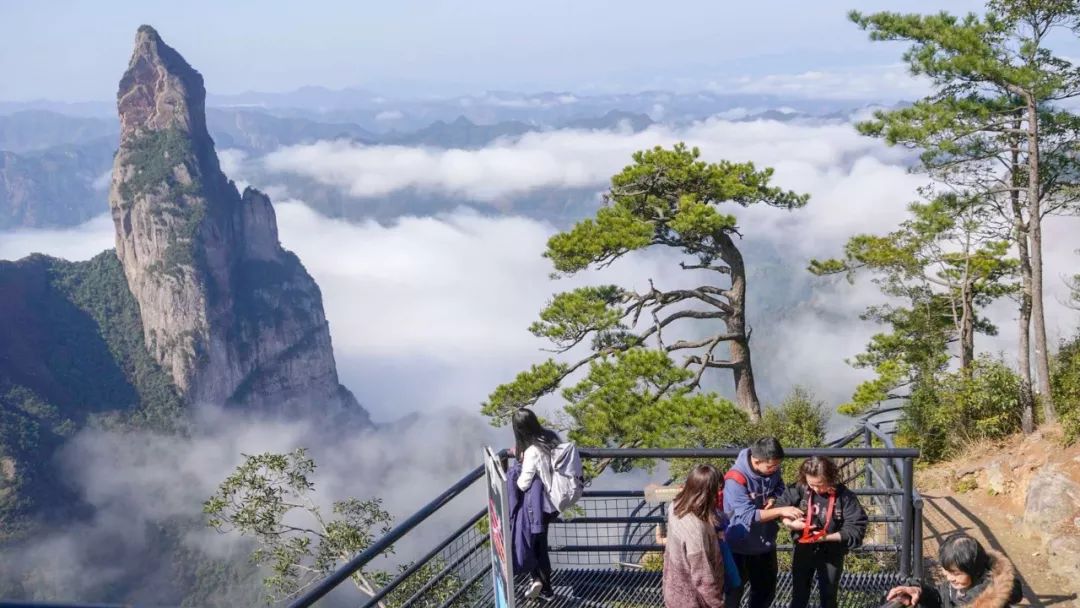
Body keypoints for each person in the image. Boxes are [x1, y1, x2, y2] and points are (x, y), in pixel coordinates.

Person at [777, 455, 868, 608]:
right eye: (811, 484)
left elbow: (856, 528)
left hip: (832, 551)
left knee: (829, 594)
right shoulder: (801, 487)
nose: (816, 489)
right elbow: (780, 506)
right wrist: (790, 523)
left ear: (831, 478)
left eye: (820, 484)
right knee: (799, 594)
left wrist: (826, 537)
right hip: (803, 547)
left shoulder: (845, 497)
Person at [723, 437, 803, 608]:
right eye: (771, 467)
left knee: (765, 592)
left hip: (765, 542)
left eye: (777, 466)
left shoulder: (772, 469)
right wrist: (781, 510)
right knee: (733, 593)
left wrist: (774, 498)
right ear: (756, 461)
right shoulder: (735, 479)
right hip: (738, 545)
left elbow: (780, 486)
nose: (775, 470)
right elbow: (748, 516)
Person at [886, 533, 1022, 608]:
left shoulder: (989, 598)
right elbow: (940, 596)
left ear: (975, 570)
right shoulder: (959, 586)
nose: (950, 578)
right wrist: (918, 590)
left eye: (956, 573)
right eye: (946, 571)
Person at [509, 408, 560, 601]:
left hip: (540, 507)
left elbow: (523, 483)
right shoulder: (550, 438)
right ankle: (540, 582)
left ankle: (544, 587)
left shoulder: (531, 451)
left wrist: (519, 464)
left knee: (538, 545)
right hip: (553, 501)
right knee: (540, 544)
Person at [662, 464, 727, 608]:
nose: (720, 493)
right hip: (693, 599)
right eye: (718, 489)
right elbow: (703, 579)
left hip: (674, 587)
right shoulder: (696, 530)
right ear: (707, 493)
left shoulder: (675, 506)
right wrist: (718, 604)